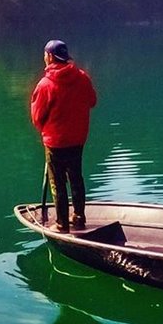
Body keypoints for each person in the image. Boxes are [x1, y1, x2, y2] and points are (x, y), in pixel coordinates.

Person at [30, 39, 97, 232]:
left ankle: (61, 224)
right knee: (76, 177)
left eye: (45, 55)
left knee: (57, 183)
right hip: (77, 139)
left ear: (50, 57)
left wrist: (44, 131)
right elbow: (92, 101)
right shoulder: (82, 77)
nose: (44, 58)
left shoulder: (45, 85)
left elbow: (36, 116)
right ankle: (79, 216)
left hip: (55, 142)